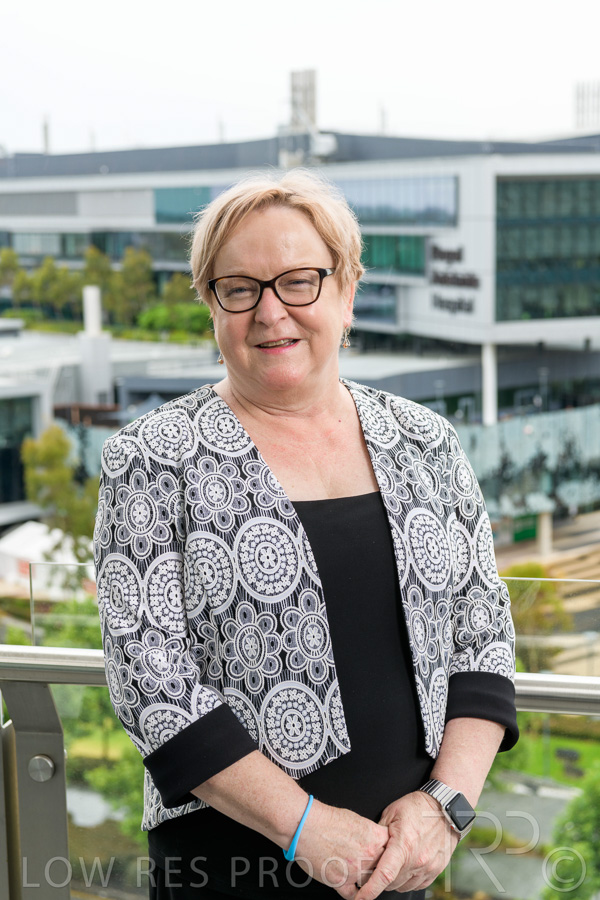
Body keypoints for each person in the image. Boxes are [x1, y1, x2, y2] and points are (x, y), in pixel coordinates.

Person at [94, 169, 518, 900]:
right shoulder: (152, 459)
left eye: (299, 282)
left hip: (400, 866)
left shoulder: (426, 442)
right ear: (211, 305)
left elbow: (484, 638)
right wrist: (306, 831)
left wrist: (444, 809)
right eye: (239, 288)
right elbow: (150, 679)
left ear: (346, 292)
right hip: (226, 873)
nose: (270, 312)